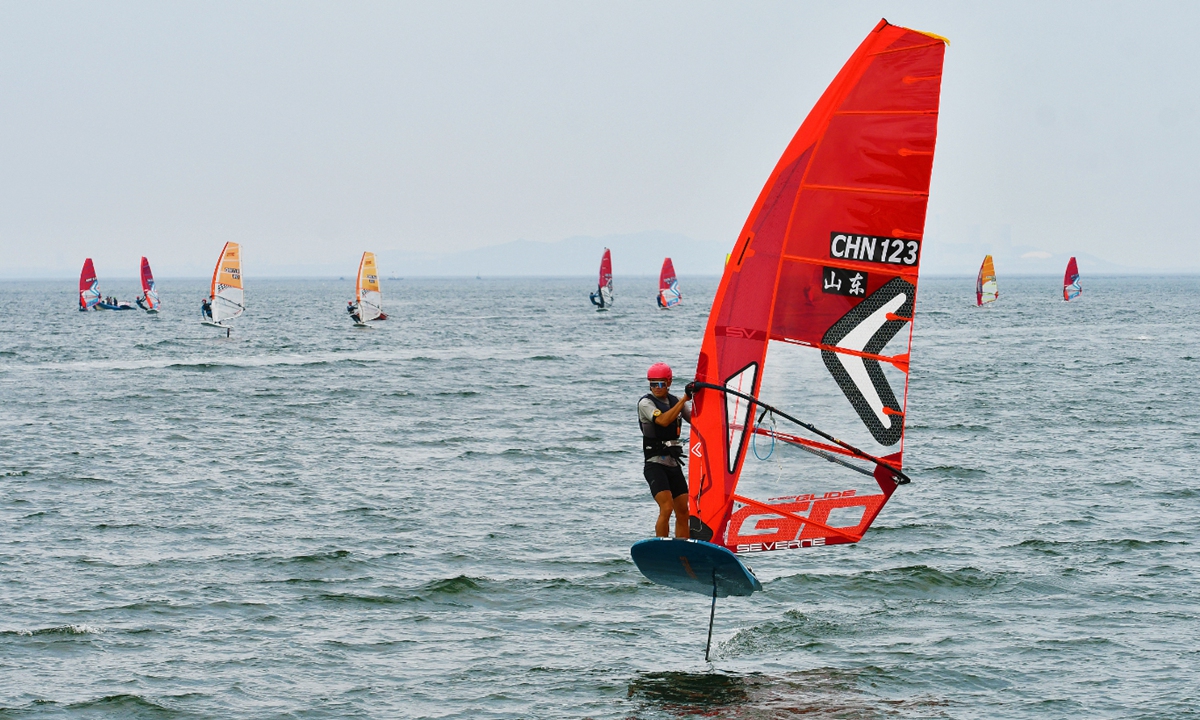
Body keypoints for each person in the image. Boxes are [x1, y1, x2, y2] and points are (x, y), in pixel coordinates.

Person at [639, 362, 693, 539]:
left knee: (683, 511)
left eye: (660, 383)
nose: (656, 388)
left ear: (669, 382)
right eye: (652, 384)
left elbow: (696, 420)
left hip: (673, 464)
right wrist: (685, 400)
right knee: (667, 507)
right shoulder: (646, 403)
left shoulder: (675, 401)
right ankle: (661, 545)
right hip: (655, 464)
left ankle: (682, 547)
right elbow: (662, 421)